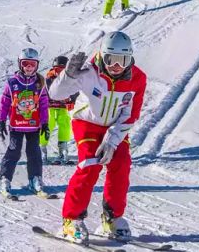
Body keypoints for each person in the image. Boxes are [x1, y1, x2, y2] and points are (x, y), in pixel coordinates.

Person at [49, 31, 147, 244]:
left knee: (121, 163)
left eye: (123, 61)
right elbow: (55, 94)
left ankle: (112, 217)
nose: (116, 67)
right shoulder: (88, 73)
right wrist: (69, 75)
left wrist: (112, 141)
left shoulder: (137, 79)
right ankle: (71, 220)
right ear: (102, 56)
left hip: (114, 128)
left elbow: (131, 114)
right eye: (111, 60)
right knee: (90, 164)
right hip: (87, 124)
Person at [0, 48, 50, 197]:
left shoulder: (40, 83)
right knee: (14, 151)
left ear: (37, 66)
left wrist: (45, 122)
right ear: (20, 64)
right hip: (16, 124)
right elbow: (4, 102)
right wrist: (1, 121)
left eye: (32, 64)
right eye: (26, 63)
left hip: (33, 125)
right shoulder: (12, 82)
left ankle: (35, 179)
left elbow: (44, 104)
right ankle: (5, 179)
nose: (29, 67)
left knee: (34, 152)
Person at [40, 56, 78, 165]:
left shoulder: (70, 80)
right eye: (57, 69)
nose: (59, 72)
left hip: (63, 106)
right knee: (48, 123)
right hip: (50, 106)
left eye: (62, 69)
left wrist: (72, 100)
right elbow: (43, 92)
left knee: (65, 123)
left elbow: (76, 91)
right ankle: (42, 150)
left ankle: (63, 150)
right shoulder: (48, 79)